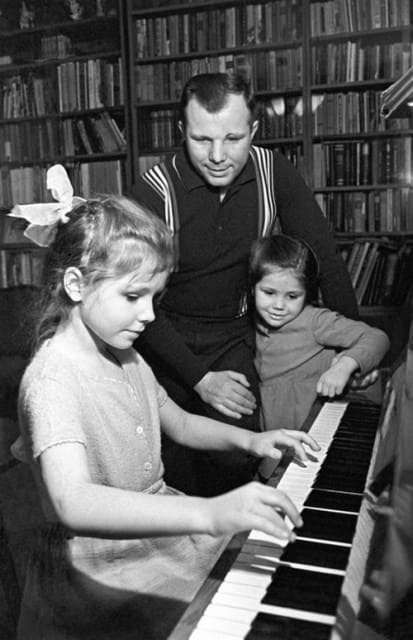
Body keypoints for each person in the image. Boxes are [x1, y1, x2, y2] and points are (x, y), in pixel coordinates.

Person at [13, 168, 319, 640]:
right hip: (99, 570)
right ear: (76, 285)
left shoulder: (127, 354)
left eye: (155, 297)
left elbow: (179, 423)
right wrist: (210, 513)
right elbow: (73, 501)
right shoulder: (53, 379)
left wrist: (253, 439)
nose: (150, 314)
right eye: (133, 296)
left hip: (156, 532)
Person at [129, 71, 360, 496]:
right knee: (165, 468)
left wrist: (354, 347)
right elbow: (135, 306)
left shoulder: (275, 173)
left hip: (236, 336)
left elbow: (323, 258)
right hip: (161, 336)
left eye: (233, 139)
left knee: (237, 458)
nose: (218, 155)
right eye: (202, 140)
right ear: (182, 131)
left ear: (254, 131)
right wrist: (199, 377)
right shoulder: (152, 192)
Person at [251, 234, 390, 435]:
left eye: (292, 296)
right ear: (253, 289)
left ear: (306, 293)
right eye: (269, 293)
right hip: (271, 442)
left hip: (316, 437)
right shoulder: (250, 323)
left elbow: (378, 338)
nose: (279, 306)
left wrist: (344, 366)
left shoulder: (315, 321)